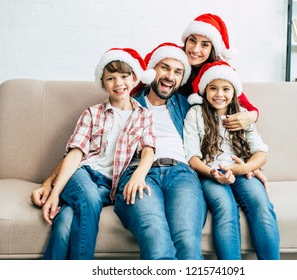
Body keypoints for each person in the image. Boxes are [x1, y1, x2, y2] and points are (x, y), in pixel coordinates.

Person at [37, 47, 156, 259]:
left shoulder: (143, 116)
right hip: (82, 174)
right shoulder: (92, 113)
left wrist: (139, 175)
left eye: (124, 76)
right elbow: (75, 154)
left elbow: (148, 150)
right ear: (103, 83)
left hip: (109, 185)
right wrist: (54, 193)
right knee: (89, 199)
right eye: (111, 78)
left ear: (135, 78)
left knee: (65, 220)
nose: (118, 83)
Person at [114, 42, 206, 260]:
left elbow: (219, 132)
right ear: (151, 71)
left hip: (181, 173)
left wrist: (246, 164)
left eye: (177, 72)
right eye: (164, 68)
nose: (170, 76)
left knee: (186, 241)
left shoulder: (188, 106)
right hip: (139, 174)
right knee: (156, 239)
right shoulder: (127, 103)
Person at [183, 60, 280, 260]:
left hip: (243, 172)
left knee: (261, 205)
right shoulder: (195, 113)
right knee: (225, 209)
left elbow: (261, 153)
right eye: (213, 88)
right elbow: (192, 157)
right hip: (211, 174)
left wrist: (243, 168)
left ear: (234, 92)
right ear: (204, 90)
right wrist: (212, 173)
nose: (219, 94)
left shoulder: (242, 116)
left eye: (226, 89)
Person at [180, 12, 269, 190]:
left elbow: (249, 109)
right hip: (190, 138)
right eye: (192, 41)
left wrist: (250, 165)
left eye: (205, 45)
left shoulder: (219, 73)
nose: (196, 49)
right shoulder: (175, 63)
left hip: (217, 147)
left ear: (213, 49)